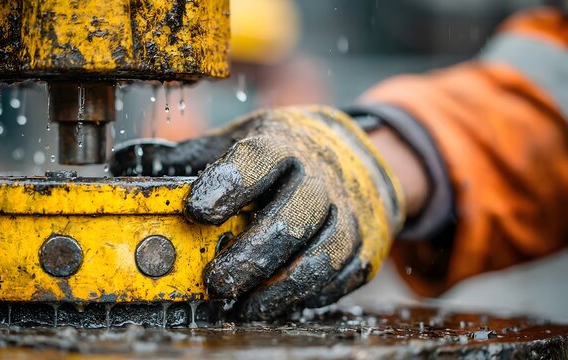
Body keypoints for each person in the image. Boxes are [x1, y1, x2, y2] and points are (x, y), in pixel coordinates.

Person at [112, 6, 568, 320]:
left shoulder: (292, 85)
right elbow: (544, 101)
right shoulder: (191, 97)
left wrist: (365, 164)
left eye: (257, 70)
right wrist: (378, 156)